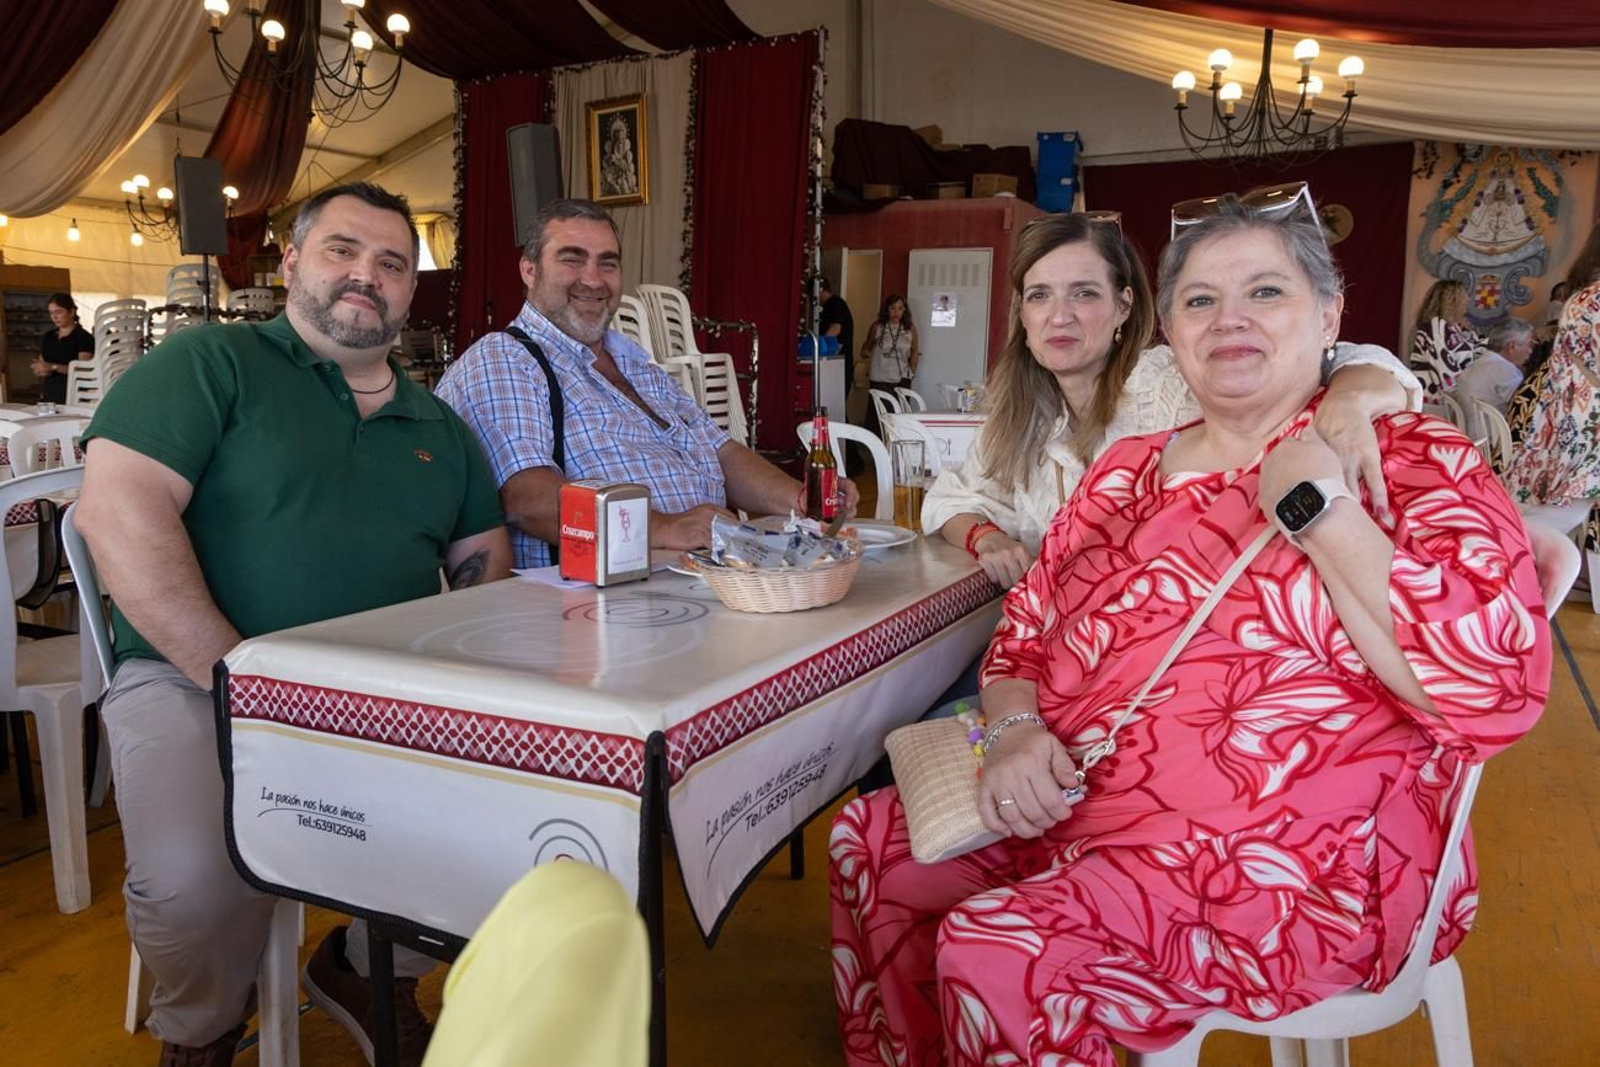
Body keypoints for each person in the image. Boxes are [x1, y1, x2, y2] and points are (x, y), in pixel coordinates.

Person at [830, 192, 1550, 1067]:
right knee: (870, 846)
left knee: (1001, 947)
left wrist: (1316, 505)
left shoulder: (1407, 458)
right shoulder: (1128, 470)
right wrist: (1015, 728)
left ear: (1330, 314)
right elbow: (1024, 627)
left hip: (1287, 861)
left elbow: (1493, 693)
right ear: (1168, 327)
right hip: (1073, 800)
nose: (1230, 319)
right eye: (1201, 300)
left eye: (1266, 293)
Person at [74, 182, 512, 1067]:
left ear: (409, 292)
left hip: (380, 689)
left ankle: (360, 965)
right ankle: (200, 1029)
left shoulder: (441, 425)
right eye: (343, 250)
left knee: (518, 827)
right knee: (195, 882)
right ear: (292, 264)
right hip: (198, 677)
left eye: (392, 263)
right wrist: (240, 678)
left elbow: (484, 569)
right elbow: (116, 513)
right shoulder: (212, 364)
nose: (367, 275)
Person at [922, 210, 1420, 590]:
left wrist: (1351, 399)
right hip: (1065, 645)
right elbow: (951, 498)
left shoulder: (1170, 379)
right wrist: (985, 537)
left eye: (1084, 294)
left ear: (1124, 306)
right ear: (1023, 315)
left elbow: (1321, 358)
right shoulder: (1023, 416)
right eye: (1040, 296)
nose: (1059, 317)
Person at [436, 198, 855, 570]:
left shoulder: (634, 362)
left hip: (701, 580)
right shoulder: (505, 358)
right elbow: (527, 500)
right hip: (596, 606)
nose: (594, 279)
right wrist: (666, 527)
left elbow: (719, 451)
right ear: (529, 270)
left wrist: (803, 500)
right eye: (572, 259)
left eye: (608, 262)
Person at [1504, 219, 1600, 537]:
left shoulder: (1581, 298)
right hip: (1588, 430)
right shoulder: (1595, 300)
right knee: (1549, 521)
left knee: (1551, 516)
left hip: (1565, 421)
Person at [1453, 315, 1533, 440]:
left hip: (1469, 436)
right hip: (1492, 442)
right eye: (1529, 345)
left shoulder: (1478, 363)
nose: (1530, 351)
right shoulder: (1506, 371)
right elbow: (1525, 410)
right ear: (1512, 347)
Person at [1409, 278, 1480, 394]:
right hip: (1440, 399)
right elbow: (1444, 371)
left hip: (1460, 393)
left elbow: (1480, 352)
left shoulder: (1455, 327)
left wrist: (1468, 332)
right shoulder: (1433, 327)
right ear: (1452, 300)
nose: (1467, 298)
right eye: (1463, 294)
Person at [32, 291, 93, 404]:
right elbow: (43, 364)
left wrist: (53, 367)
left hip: (74, 395)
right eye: (51, 313)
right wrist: (40, 370)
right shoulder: (48, 337)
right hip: (49, 393)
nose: (54, 317)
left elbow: (84, 370)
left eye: (58, 312)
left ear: (72, 312)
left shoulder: (83, 337)